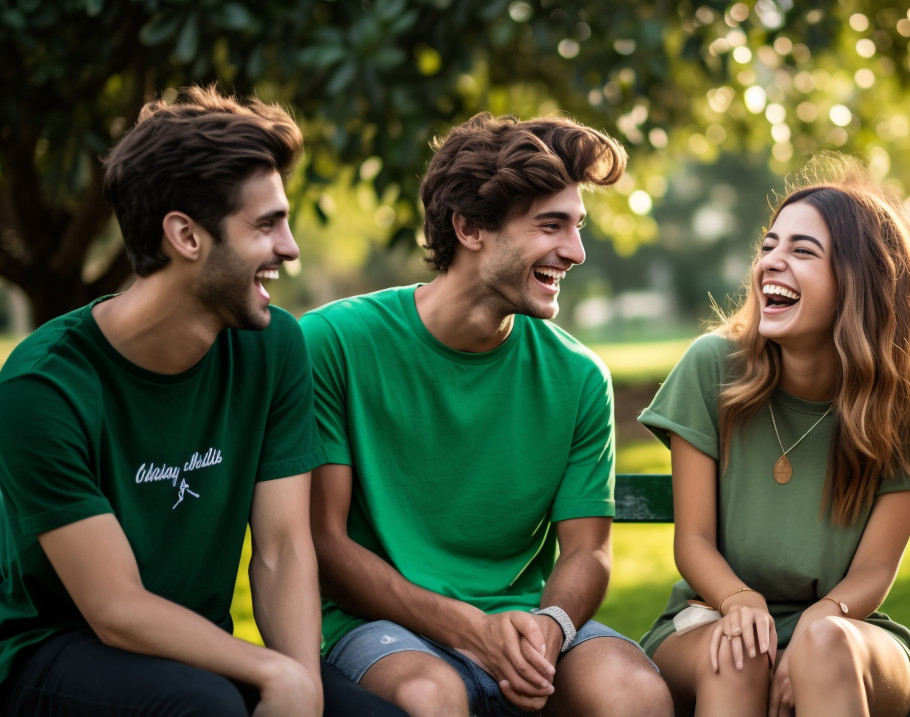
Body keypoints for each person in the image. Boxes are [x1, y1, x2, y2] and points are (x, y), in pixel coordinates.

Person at [0, 86, 405, 715]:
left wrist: (298, 681)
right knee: (204, 706)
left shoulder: (274, 348)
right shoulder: (43, 386)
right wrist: (269, 671)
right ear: (186, 236)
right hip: (53, 649)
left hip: (196, 651)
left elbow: (283, 548)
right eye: (267, 224)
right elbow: (114, 608)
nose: (291, 248)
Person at [301, 112, 673, 717]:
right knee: (429, 696)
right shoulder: (332, 344)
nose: (576, 252)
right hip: (382, 624)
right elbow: (326, 542)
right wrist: (467, 629)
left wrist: (550, 626)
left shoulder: (578, 377)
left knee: (632, 692)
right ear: (470, 228)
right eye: (552, 226)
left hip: (527, 627)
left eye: (578, 227)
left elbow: (589, 551)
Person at [637, 157, 910, 717]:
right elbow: (693, 542)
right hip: (713, 616)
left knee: (823, 647)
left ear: (860, 283)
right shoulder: (712, 367)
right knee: (738, 652)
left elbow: (874, 571)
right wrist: (739, 602)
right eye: (768, 247)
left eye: (802, 251)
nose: (770, 265)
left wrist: (815, 626)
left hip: (846, 627)